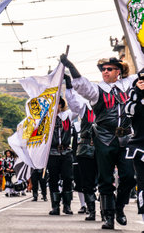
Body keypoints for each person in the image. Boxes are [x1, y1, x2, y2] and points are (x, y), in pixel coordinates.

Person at [61, 55, 137, 229]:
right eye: (103, 69)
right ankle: (108, 217)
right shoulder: (97, 90)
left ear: (118, 71)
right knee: (105, 178)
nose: (105, 72)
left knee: (129, 177)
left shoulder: (129, 84)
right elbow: (81, 84)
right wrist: (70, 65)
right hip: (104, 138)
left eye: (109, 69)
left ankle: (119, 207)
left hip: (126, 138)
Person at [65, 74, 98, 221]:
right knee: (87, 181)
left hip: (105, 147)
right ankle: (91, 210)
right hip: (86, 148)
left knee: (106, 179)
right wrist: (68, 84)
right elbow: (72, 102)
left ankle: (108, 211)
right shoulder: (86, 109)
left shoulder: (108, 106)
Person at [47, 97, 76, 215]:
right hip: (52, 152)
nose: (57, 106)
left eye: (59, 103)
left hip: (66, 151)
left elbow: (76, 107)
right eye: (55, 104)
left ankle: (67, 205)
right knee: (53, 178)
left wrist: (70, 90)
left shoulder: (67, 115)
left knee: (68, 178)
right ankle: (55, 206)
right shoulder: (47, 118)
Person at [124, 70, 144, 228]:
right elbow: (128, 111)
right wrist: (138, 92)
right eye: (141, 80)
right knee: (143, 185)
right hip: (140, 147)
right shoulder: (134, 99)